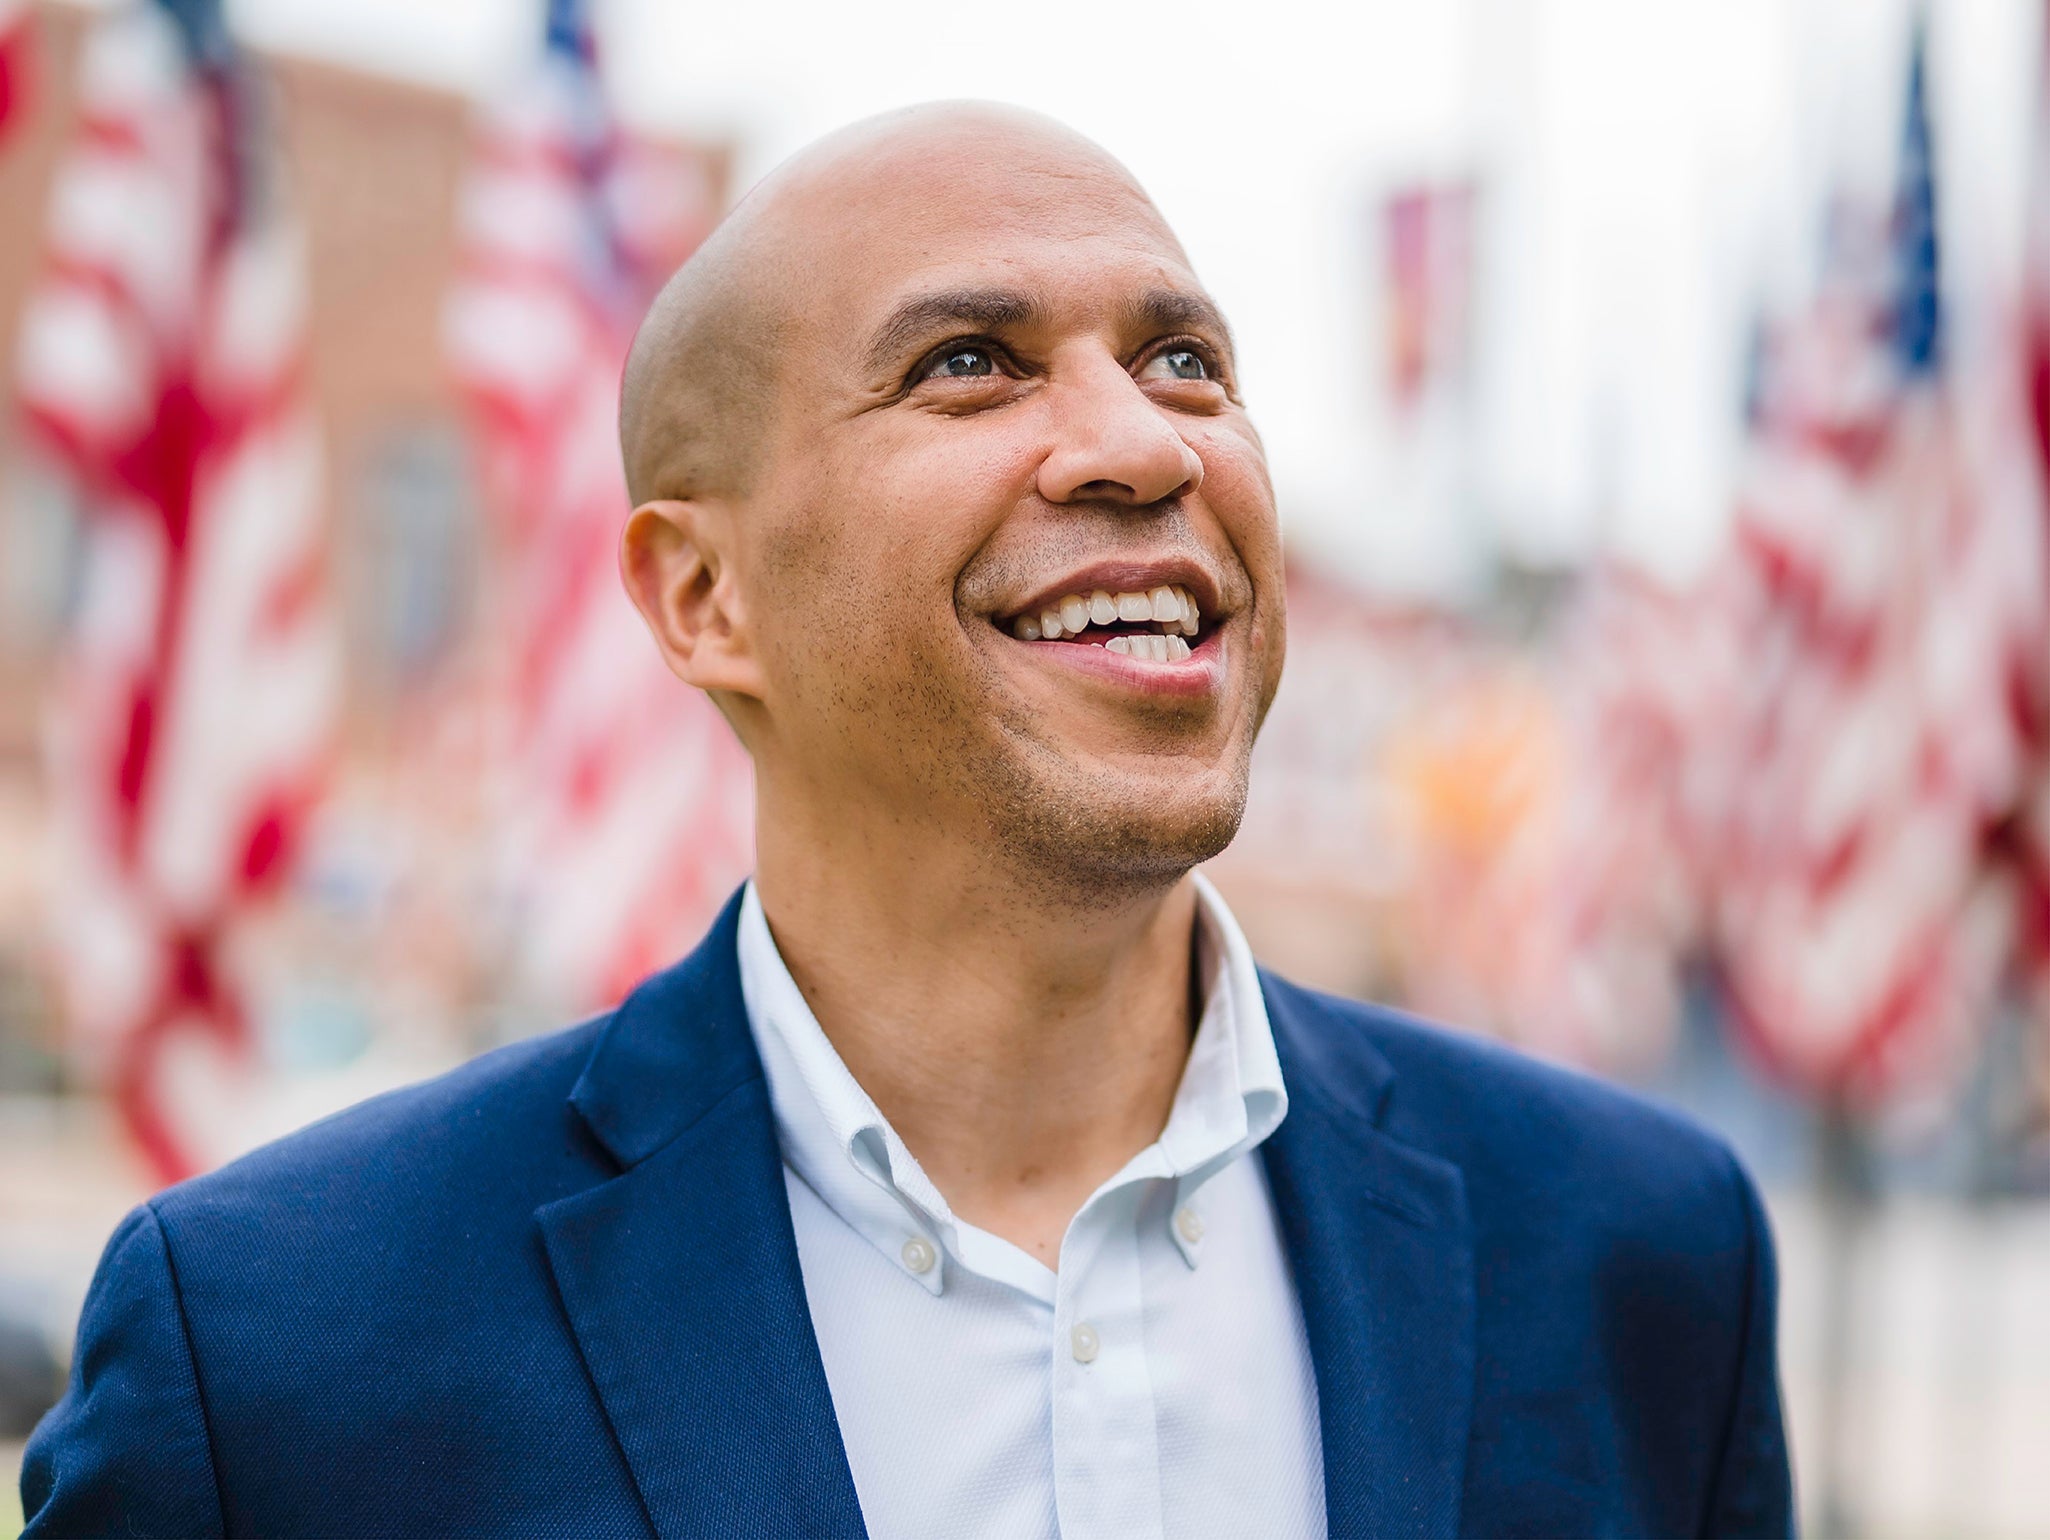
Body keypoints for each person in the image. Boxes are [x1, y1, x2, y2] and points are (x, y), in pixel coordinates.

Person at [22, 103, 1792, 1538]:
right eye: (969, 364)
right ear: (704, 595)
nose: (1143, 444)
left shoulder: (1638, 1260)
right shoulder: (276, 1353)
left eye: (1183, 358)